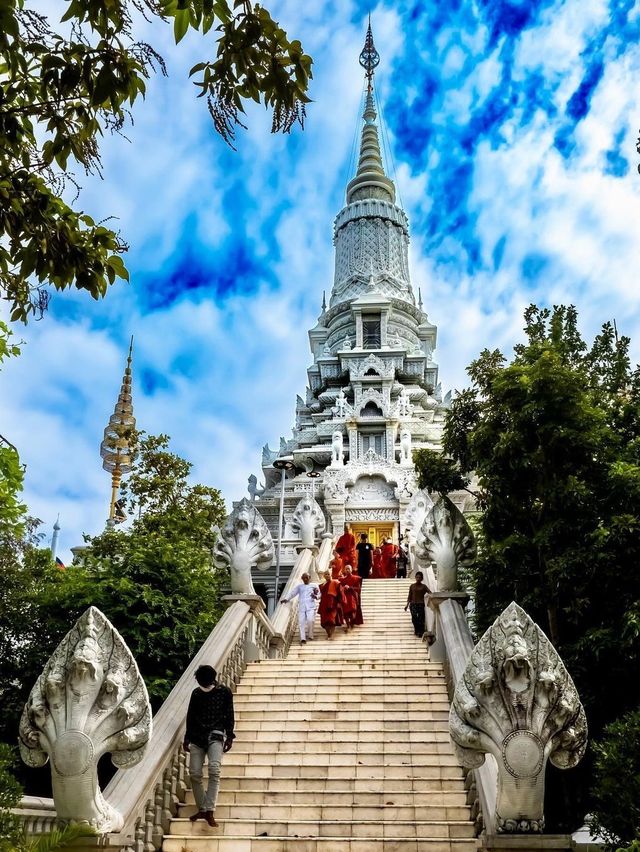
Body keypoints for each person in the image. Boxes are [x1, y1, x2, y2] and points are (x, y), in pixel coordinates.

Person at [183, 664, 235, 828]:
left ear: (209, 679)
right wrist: (187, 738)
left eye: (200, 679)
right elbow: (191, 716)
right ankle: (203, 808)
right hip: (197, 737)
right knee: (194, 773)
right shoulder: (196, 693)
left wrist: (230, 736)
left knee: (214, 769)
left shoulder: (224, 692)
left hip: (216, 735)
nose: (198, 682)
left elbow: (229, 713)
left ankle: (209, 810)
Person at [283, 572, 320, 643]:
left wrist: (316, 596)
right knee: (301, 622)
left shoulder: (314, 585)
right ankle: (302, 638)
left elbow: (319, 594)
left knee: (310, 620)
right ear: (302, 578)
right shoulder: (299, 586)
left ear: (310, 578)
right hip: (302, 607)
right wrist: (287, 599)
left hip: (311, 606)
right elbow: (293, 593)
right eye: (304, 578)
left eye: (307, 577)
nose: (306, 579)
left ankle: (310, 635)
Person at [404, 571, 431, 637]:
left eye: (419, 577)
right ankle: (416, 630)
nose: (418, 579)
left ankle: (420, 632)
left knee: (421, 618)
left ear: (422, 579)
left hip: (420, 604)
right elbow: (409, 595)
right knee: (414, 618)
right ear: (415, 578)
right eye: (417, 577)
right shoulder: (412, 586)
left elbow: (430, 592)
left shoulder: (424, 586)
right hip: (413, 604)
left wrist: (430, 597)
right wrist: (407, 605)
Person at [318, 570, 343, 638]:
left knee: (331, 620)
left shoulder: (336, 583)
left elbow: (340, 594)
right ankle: (328, 633)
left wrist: (339, 602)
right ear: (324, 576)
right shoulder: (322, 585)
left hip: (333, 604)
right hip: (324, 605)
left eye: (328, 574)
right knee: (324, 621)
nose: (327, 575)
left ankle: (330, 635)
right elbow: (321, 595)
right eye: (325, 574)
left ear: (331, 574)